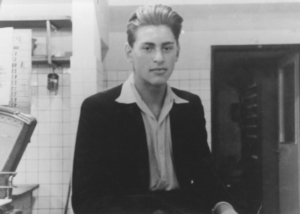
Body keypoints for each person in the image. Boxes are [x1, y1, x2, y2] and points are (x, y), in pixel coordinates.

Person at [72, 4, 238, 214]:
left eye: (167, 47)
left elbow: (207, 177)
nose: (159, 57)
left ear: (177, 51)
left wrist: (225, 207)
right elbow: (85, 199)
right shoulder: (99, 109)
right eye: (148, 48)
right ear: (129, 52)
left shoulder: (189, 106)